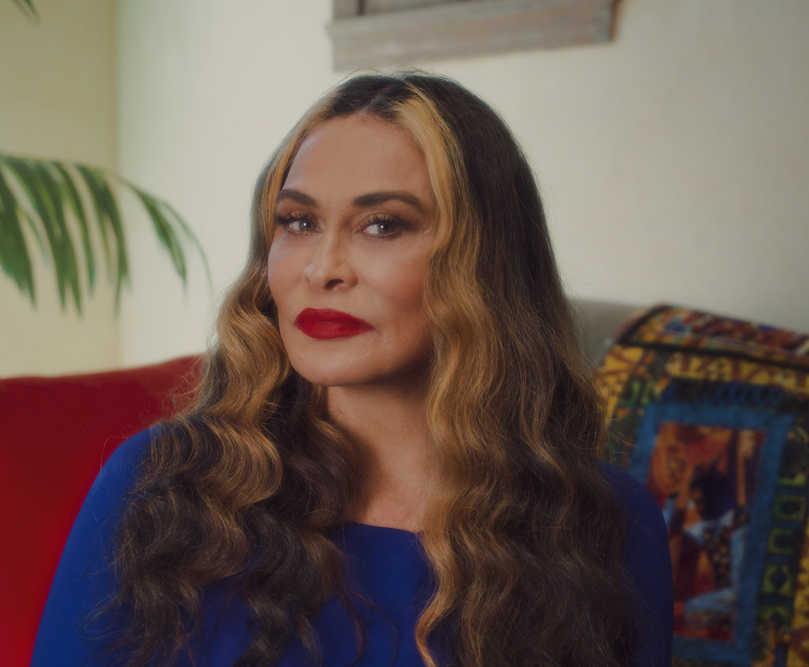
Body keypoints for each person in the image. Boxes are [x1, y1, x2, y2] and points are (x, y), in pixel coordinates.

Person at [33, 72, 673, 667]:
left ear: (486, 266)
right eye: (299, 222)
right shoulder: (160, 484)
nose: (322, 269)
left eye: (382, 225)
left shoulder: (608, 521)